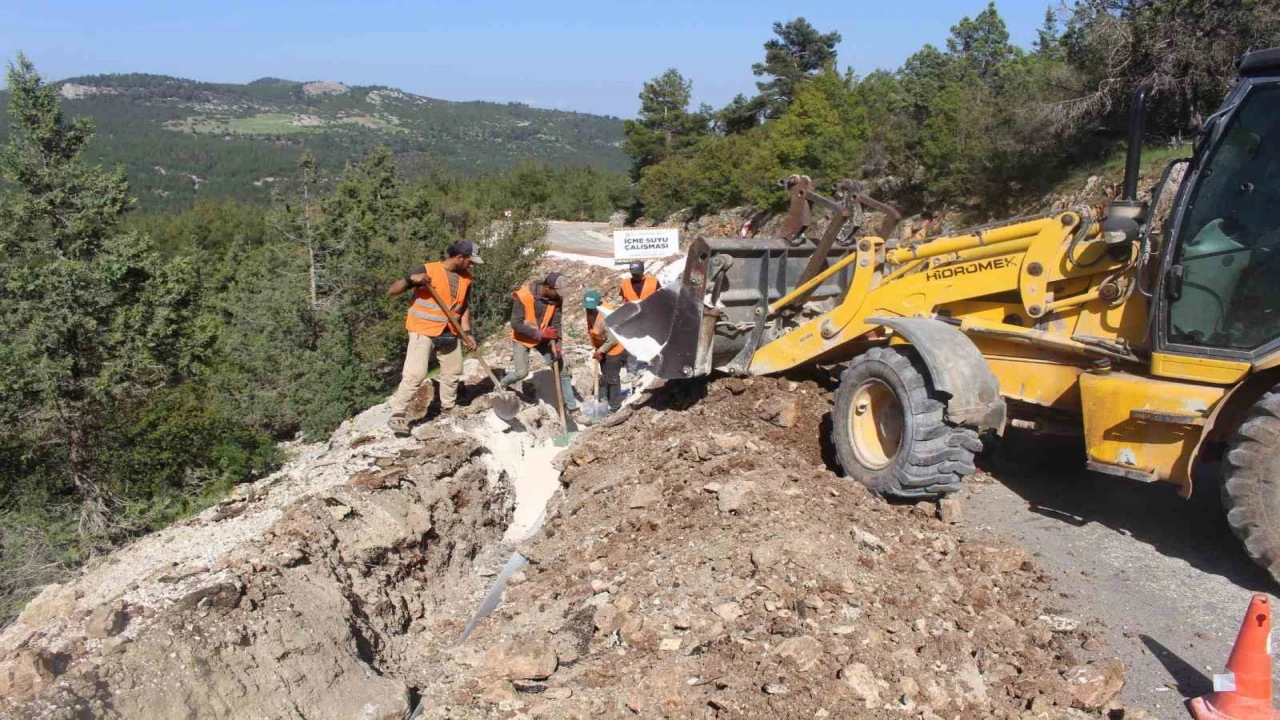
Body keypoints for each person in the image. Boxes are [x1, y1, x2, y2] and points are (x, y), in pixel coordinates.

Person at [385, 241, 481, 435]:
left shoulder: (466, 278)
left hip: (450, 331)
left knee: (453, 372)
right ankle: (398, 414)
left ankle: (447, 409)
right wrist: (411, 279)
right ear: (460, 257)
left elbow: (464, 308)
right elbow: (392, 290)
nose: (472, 266)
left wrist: (468, 333)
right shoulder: (427, 270)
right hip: (423, 329)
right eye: (470, 261)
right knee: (415, 374)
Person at [498, 272, 578, 414]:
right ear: (547, 287)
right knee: (521, 373)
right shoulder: (523, 296)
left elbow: (556, 322)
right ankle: (501, 384)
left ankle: (573, 409)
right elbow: (516, 324)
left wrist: (558, 345)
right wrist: (540, 333)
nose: (561, 296)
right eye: (558, 292)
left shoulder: (556, 298)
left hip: (544, 339)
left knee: (562, 372)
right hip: (522, 338)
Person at [583, 290, 625, 411]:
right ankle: (604, 402)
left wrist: (600, 351)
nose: (589, 310)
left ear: (599, 304)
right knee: (605, 375)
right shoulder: (589, 311)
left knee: (612, 378)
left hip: (615, 348)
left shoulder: (606, 315)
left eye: (591, 308)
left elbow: (613, 340)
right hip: (602, 348)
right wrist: (598, 350)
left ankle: (615, 407)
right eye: (587, 308)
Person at [620, 261, 659, 375]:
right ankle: (632, 371)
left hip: (651, 318)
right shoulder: (624, 284)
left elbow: (661, 298)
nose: (635, 275)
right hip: (633, 319)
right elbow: (624, 302)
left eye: (637, 273)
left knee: (651, 342)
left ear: (642, 271)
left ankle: (650, 367)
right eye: (633, 273)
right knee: (632, 345)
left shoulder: (653, 282)